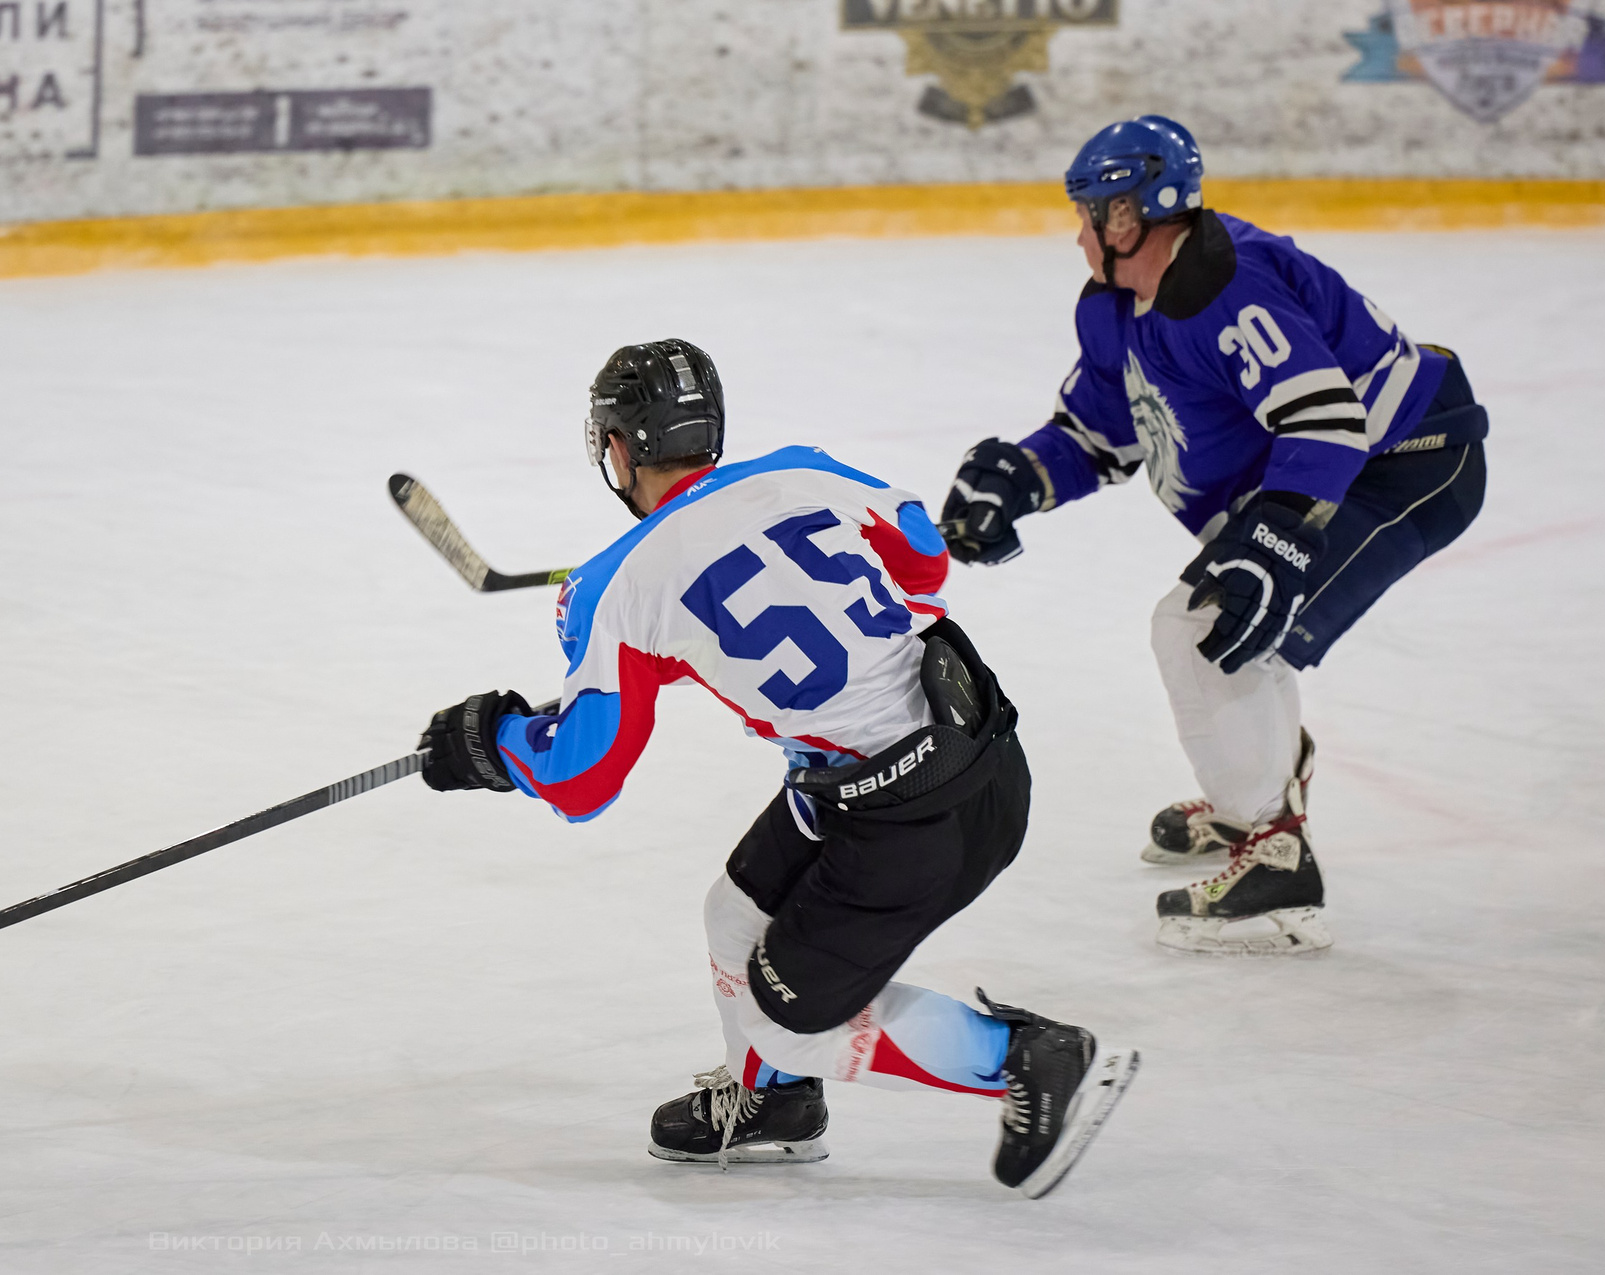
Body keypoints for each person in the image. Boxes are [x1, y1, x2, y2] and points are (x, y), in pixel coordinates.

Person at [415, 339, 1136, 1196]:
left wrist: (494, 741)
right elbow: (923, 564)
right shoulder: (803, 470)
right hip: (975, 757)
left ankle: (1024, 1056)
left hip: (906, 823)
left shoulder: (621, 587)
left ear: (618, 447)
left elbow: (584, 774)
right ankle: (775, 1103)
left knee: (783, 1017)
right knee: (735, 914)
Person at [939, 117, 1488, 955]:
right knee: (1228, 623)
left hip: (1403, 462)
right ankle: (1257, 800)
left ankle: (1275, 856)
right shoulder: (1116, 306)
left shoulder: (1229, 287)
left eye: (1093, 212)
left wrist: (1279, 536)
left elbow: (1326, 419)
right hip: (1326, 469)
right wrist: (1022, 478)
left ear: (1130, 217)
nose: (1080, 231)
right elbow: (1101, 432)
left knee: (1204, 627)